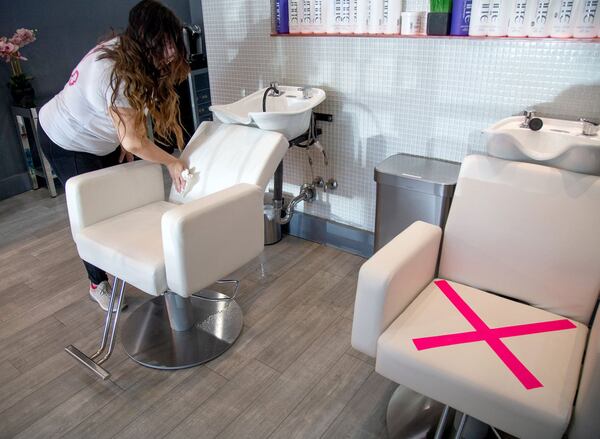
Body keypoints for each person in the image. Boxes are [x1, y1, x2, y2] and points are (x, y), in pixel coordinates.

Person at [39, 0, 190, 312]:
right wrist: (172, 161)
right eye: (164, 44)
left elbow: (128, 129)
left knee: (119, 203)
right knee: (92, 214)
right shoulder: (114, 72)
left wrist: (124, 137)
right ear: (146, 41)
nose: (171, 52)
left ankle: (127, 262)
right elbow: (135, 140)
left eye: (172, 41)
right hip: (67, 140)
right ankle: (98, 283)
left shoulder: (130, 51)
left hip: (98, 136)